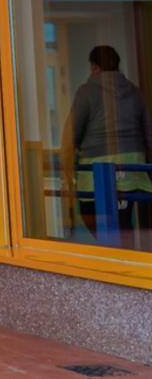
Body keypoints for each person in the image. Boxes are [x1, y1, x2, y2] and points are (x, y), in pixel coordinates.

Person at [61, 45, 152, 249]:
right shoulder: (135, 92)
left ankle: (113, 258)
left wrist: (65, 167)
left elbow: (71, 133)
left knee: (93, 217)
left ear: (94, 67)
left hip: (96, 167)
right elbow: (148, 131)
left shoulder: (86, 91)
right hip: (134, 167)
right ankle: (125, 257)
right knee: (125, 219)